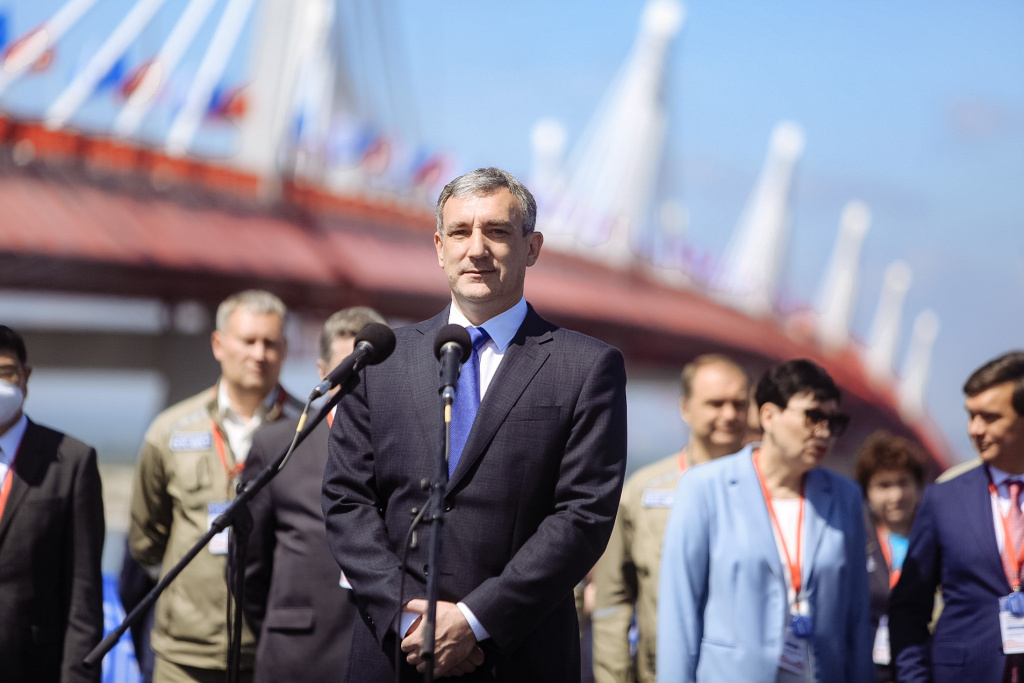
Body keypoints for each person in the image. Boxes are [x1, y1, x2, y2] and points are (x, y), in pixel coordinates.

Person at [322, 167, 628, 682]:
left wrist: (474, 621)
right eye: (461, 232)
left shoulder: (587, 367)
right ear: (439, 247)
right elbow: (345, 500)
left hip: (517, 654)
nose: (477, 248)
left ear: (532, 248)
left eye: (497, 231)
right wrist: (407, 617)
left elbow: (583, 516)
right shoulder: (381, 360)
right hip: (394, 651)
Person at [657, 358, 873, 683]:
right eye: (813, 417)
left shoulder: (845, 496)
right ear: (768, 415)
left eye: (834, 421)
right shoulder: (704, 488)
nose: (825, 432)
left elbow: (857, 617)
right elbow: (679, 614)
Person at [129, 290, 301, 683]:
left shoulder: (307, 432)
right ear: (218, 344)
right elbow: (145, 539)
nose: (259, 354)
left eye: (270, 343)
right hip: (182, 657)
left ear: (285, 350)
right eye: (248, 341)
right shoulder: (170, 430)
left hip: (270, 653)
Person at [241, 306, 385, 683]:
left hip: (382, 656)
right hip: (297, 658)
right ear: (323, 371)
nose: (360, 379)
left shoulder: (414, 447)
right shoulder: (277, 447)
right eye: (348, 367)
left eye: (371, 367)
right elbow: (248, 567)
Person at [591, 354, 750, 683]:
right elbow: (613, 599)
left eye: (739, 404)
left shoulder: (769, 490)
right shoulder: (643, 491)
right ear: (685, 408)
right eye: (716, 403)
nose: (729, 414)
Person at [890, 351, 1024, 683]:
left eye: (990, 417)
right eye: (971, 415)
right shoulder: (943, 499)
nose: (975, 429)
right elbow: (908, 607)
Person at [0, 325, 105, 683]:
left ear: (26, 376)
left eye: (6, 372)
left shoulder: (72, 461)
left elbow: (83, 594)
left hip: (34, 668)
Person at [853, 430, 926, 682]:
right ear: (867, 491)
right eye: (884, 485)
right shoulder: (854, 540)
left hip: (923, 665)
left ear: (918, 486)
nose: (896, 496)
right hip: (868, 668)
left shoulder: (937, 539)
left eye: (903, 482)